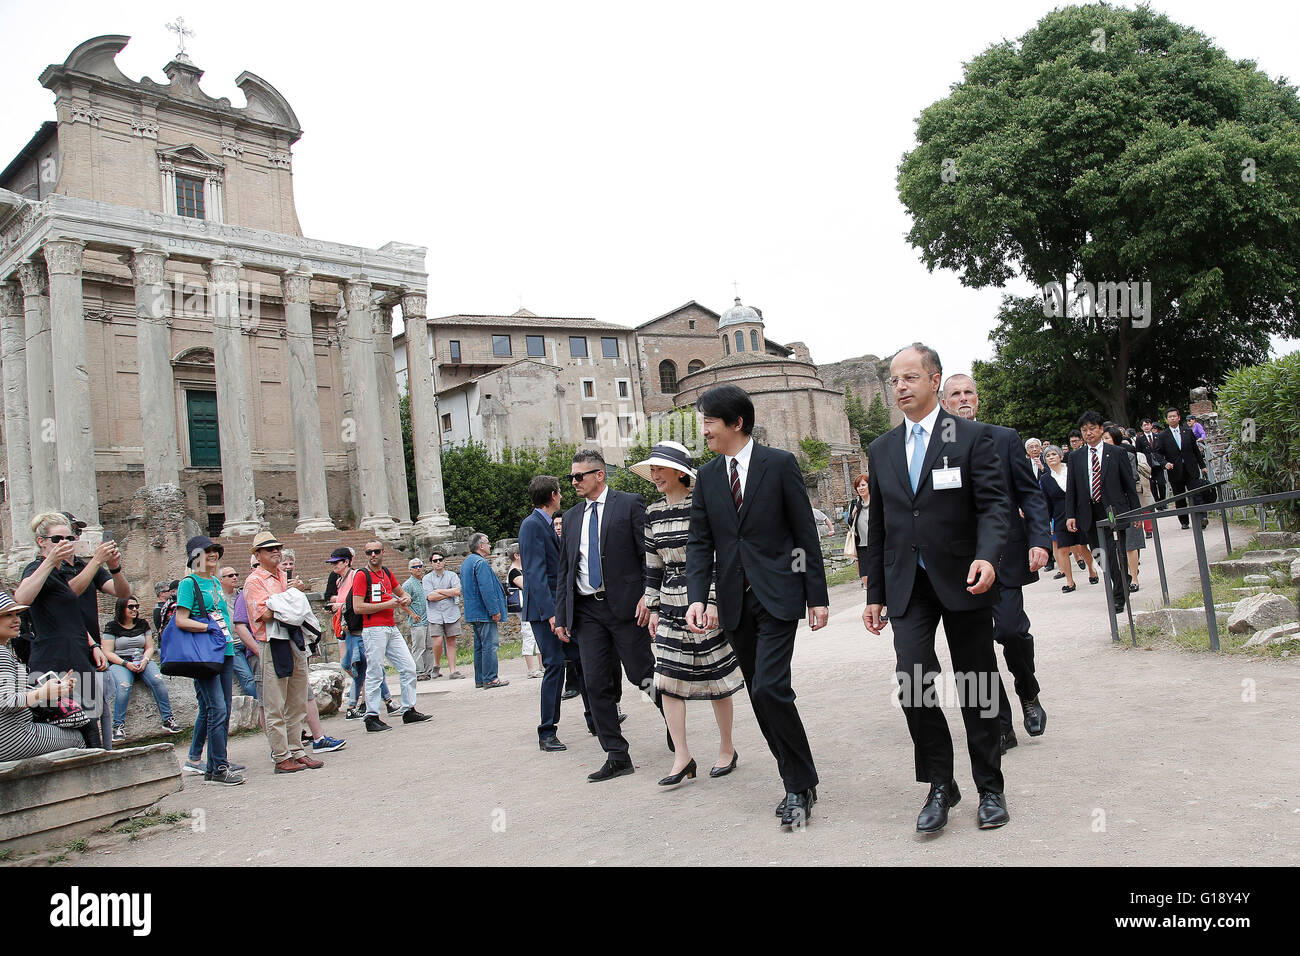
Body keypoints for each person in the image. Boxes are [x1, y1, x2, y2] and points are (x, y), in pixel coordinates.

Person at [862, 345, 1011, 833]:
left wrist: (988, 556)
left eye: (909, 377)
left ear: (934, 379)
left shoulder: (970, 438)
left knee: (977, 683)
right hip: (909, 585)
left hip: (965, 577)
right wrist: (875, 594)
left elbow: (993, 505)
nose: (900, 386)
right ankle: (940, 785)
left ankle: (990, 787)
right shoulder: (881, 449)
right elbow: (879, 528)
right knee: (913, 680)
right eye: (894, 380)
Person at [686, 385, 828, 827]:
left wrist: (816, 595)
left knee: (769, 687)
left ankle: (797, 786)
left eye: (709, 420)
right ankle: (799, 778)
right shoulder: (708, 477)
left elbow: (804, 534)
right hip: (732, 601)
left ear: (736, 423)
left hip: (779, 595)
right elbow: (700, 543)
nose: (703, 429)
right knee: (760, 693)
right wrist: (697, 597)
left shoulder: (780, 464)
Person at [942, 374, 1050, 757]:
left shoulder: (1004, 438)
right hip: (959, 562)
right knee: (976, 649)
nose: (963, 398)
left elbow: (1030, 494)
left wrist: (1040, 539)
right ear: (944, 401)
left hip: (1004, 554)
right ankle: (1000, 724)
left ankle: (1028, 693)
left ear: (978, 398)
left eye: (969, 391)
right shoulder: (937, 445)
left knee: (1010, 631)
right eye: (955, 394)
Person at [635, 441, 743, 787]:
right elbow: (652, 565)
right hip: (669, 603)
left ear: (679, 472)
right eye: (651, 470)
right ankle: (682, 756)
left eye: (660, 469)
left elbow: (716, 557)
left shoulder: (703, 505)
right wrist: (651, 605)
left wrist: (712, 603)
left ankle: (727, 748)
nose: (654, 476)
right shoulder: (651, 513)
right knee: (667, 680)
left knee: (716, 679)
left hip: (704, 600)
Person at [555, 448, 659, 782]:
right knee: (596, 682)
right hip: (587, 613)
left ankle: (674, 723)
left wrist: (649, 594)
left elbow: (648, 554)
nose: (573, 482)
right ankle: (616, 754)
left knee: (642, 674)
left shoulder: (628, 504)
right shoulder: (571, 518)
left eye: (579, 476)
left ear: (599, 475)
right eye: (571, 477)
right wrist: (561, 616)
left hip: (627, 608)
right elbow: (564, 571)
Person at [15, 512, 128, 750]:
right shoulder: (37, 569)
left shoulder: (73, 569)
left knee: (92, 727)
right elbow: (22, 598)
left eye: (69, 537)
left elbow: (71, 617)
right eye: (57, 539)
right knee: (66, 729)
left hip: (79, 657)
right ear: (41, 541)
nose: (64, 543)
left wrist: (93, 645)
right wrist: (50, 561)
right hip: (51, 663)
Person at [520, 475, 589, 752]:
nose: (562, 495)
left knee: (582, 660)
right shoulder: (532, 525)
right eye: (559, 492)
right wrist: (551, 614)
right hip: (543, 612)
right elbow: (535, 573)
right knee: (554, 666)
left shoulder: (545, 524)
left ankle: (595, 718)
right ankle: (546, 731)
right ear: (552, 495)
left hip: (555, 609)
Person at [244, 531, 321, 772]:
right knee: (275, 702)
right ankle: (281, 755)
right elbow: (264, 614)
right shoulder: (254, 581)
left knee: (297, 699)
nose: (276, 551)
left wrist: (284, 599)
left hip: (292, 638)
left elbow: (284, 609)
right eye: (270, 549)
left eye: (277, 547)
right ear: (257, 555)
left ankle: (297, 750)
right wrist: (291, 595)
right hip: (272, 642)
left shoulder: (281, 575)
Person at [174, 535, 244, 785]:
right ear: (195, 557)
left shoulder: (215, 582)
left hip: (224, 650)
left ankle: (215, 765)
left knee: (221, 710)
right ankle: (219, 766)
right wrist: (208, 629)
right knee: (217, 709)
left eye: (215, 551)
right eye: (207, 552)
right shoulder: (188, 583)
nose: (213, 555)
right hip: (203, 653)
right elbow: (181, 619)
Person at [1063, 411, 1140, 614]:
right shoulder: (1075, 457)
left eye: (1092, 429)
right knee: (1100, 554)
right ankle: (1122, 581)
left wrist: (1136, 513)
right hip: (1089, 511)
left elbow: (1129, 485)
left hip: (1114, 510)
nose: (1088, 433)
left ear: (1101, 429)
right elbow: (1071, 488)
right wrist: (1070, 514)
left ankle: (1118, 595)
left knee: (1117, 551)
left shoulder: (1116, 453)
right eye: (1084, 430)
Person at [0, 589, 89, 761]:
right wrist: (44, 693)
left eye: (16, 614)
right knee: (77, 738)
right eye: (8, 615)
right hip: (12, 736)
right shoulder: (2, 654)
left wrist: (51, 688)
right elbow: (7, 702)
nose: (16, 620)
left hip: (10, 734)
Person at [352, 540, 430, 731]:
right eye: (369, 552)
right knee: (375, 671)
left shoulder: (386, 573)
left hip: (390, 627)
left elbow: (403, 594)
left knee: (409, 667)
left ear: (382, 552)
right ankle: (371, 716)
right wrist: (388, 605)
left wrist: (406, 599)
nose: (373, 555)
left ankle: (408, 709)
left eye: (376, 551)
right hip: (373, 628)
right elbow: (358, 607)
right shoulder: (362, 576)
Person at [281, 549, 345, 755]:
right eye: (284, 564)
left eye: (291, 563)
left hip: (298, 643)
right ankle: (285, 747)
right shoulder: (267, 584)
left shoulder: (292, 587)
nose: (288, 567)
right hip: (279, 645)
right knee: (280, 698)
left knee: (305, 692)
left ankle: (315, 737)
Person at [326, 547, 394, 719]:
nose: (333, 566)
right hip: (348, 628)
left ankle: (365, 704)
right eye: (332, 563)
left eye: (336, 562)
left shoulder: (355, 576)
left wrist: (339, 605)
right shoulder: (339, 580)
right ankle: (381, 702)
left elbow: (357, 600)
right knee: (359, 667)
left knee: (363, 666)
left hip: (360, 628)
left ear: (347, 561)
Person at [103, 597, 180, 741]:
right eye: (130, 607)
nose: (134, 609)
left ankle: (168, 719)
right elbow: (107, 652)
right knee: (124, 686)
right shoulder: (112, 626)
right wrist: (126, 664)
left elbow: (149, 647)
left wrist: (144, 660)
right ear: (121, 609)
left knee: (158, 680)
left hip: (142, 659)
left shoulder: (143, 624)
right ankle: (118, 726)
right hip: (121, 662)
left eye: (136, 606)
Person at [1039, 444, 1094, 591]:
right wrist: (1048, 522)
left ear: (1060, 456)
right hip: (1059, 516)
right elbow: (1047, 502)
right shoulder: (1045, 479)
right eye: (1047, 456)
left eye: (1053, 454)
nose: (1051, 458)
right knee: (1063, 549)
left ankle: (1092, 570)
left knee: (1082, 546)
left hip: (1078, 513)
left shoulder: (1071, 471)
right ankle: (1070, 581)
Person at [461, 534, 511, 691]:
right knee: (490, 645)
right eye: (488, 543)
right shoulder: (480, 563)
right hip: (483, 611)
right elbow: (486, 589)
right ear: (480, 546)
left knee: (479, 646)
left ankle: (481, 678)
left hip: (473, 611)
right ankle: (490, 678)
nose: (490, 545)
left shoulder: (467, 562)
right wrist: (494, 610)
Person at [1103, 426, 1148, 593]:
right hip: (1109, 508)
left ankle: (1134, 578)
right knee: (1114, 546)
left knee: (1130, 543)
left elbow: (1132, 477)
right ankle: (1122, 577)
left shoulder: (1126, 454)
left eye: (1107, 438)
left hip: (1127, 502)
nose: (1104, 441)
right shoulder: (1095, 460)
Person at [1156, 407, 1210, 531]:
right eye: (1170, 417)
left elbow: (1195, 450)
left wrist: (1202, 466)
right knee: (1179, 497)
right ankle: (1184, 521)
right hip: (1175, 470)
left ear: (1179, 417)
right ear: (1167, 419)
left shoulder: (1187, 431)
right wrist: (1165, 463)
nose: (1172, 418)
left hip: (1191, 468)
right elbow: (1157, 453)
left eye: (1174, 416)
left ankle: (1202, 518)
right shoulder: (1163, 436)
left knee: (1197, 493)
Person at [422, 552, 464, 681]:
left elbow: (457, 591)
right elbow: (430, 597)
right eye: (435, 561)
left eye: (440, 560)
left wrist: (439, 591)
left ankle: (453, 670)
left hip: (451, 613)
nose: (438, 562)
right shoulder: (427, 578)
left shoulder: (452, 575)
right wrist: (449, 593)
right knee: (438, 642)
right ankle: (437, 664)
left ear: (444, 561)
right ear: (431, 563)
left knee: (451, 641)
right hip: (435, 614)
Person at [218, 566, 257, 698]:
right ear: (221, 580)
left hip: (249, 640)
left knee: (262, 677)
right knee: (248, 679)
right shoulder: (216, 598)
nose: (235, 577)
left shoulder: (242, 595)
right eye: (230, 575)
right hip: (232, 644)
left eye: (236, 574)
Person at [506, 549, 539, 677]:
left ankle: (541, 666)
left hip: (529, 604)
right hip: (523, 606)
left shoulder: (520, 569)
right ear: (516, 555)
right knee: (528, 634)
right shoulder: (514, 572)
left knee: (534, 635)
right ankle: (531, 669)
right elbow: (526, 585)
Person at [402, 558, 434, 680]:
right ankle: (419, 671)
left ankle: (428, 670)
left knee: (429, 646)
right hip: (417, 621)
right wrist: (412, 614)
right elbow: (402, 602)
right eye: (415, 567)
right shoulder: (408, 585)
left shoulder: (425, 582)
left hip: (428, 619)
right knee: (419, 647)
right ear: (410, 570)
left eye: (420, 566)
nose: (418, 569)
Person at [1136, 418, 1167, 512]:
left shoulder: (1158, 436)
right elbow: (1138, 452)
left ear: (1151, 425)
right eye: (1144, 425)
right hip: (1148, 464)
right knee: (1152, 484)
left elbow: (1162, 449)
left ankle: (1163, 501)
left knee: (1162, 483)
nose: (1146, 427)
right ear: (1141, 427)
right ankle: (1157, 503)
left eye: (1148, 424)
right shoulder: (1140, 439)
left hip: (1158, 463)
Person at [847, 470, 871, 590]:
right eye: (858, 486)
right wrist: (853, 513)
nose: (860, 488)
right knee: (865, 575)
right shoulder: (855, 503)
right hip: (861, 545)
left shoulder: (877, 502)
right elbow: (851, 523)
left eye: (863, 485)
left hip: (876, 544)